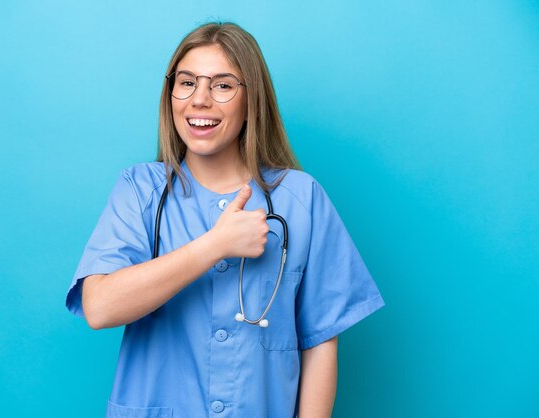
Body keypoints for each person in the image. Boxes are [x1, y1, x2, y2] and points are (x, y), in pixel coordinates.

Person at [66, 22, 384, 418]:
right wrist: (215, 245)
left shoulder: (301, 199)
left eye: (222, 85)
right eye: (186, 83)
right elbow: (100, 308)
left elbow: (320, 342)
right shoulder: (139, 190)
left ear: (252, 100)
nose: (199, 100)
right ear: (170, 95)